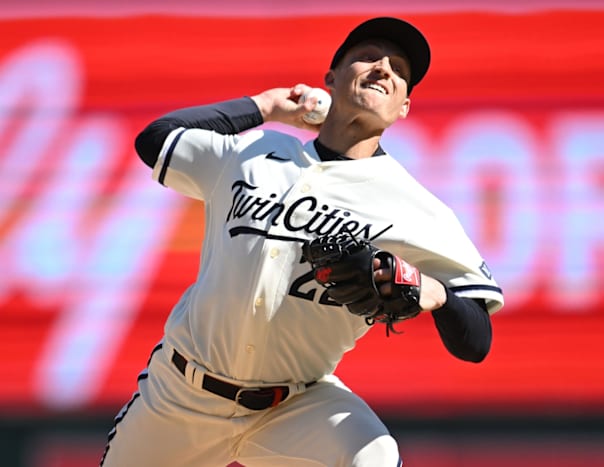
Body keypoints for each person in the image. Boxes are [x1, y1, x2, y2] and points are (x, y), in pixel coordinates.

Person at [100, 16, 504, 467]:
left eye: (399, 70)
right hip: (179, 397)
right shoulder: (252, 154)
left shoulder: (415, 208)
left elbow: (476, 341)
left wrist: (431, 291)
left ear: (404, 106)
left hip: (295, 406)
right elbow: (156, 139)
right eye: (368, 56)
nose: (383, 69)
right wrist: (267, 105)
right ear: (331, 80)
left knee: (374, 456)